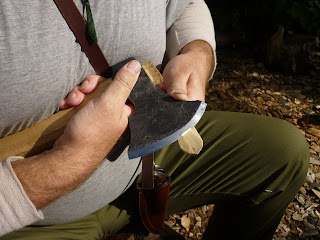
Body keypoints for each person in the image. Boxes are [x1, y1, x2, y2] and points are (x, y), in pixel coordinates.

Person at [0, 0, 309, 239]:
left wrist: (197, 50)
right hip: (31, 219)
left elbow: (183, 5)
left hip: (143, 166)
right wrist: (68, 162)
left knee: (281, 152)